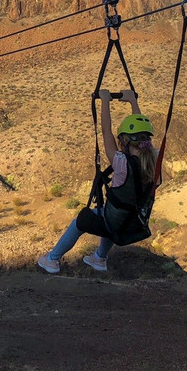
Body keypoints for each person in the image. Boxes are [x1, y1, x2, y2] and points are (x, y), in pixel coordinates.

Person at [37, 89, 157, 274]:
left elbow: (105, 131)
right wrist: (133, 102)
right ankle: (100, 257)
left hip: (116, 220)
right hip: (133, 221)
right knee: (109, 215)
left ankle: (52, 259)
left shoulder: (121, 163)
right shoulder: (153, 161)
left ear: (124, 142)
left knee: (82, 220)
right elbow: (140, 130)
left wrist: (105, 101)